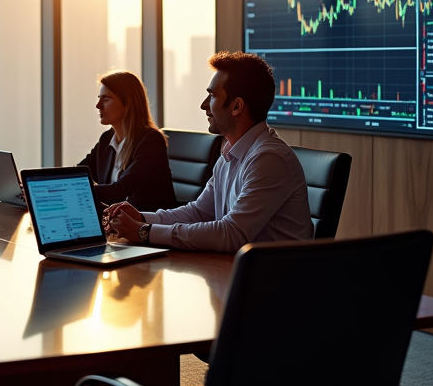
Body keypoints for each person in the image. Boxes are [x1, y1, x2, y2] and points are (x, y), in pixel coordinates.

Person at [105, 52, 311, 253]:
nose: (204, 105)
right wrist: (142, 218)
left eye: (212, 95)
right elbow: (199, 212)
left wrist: (144, 232)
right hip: (236, 273)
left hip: (276, 282)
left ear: (236, 106)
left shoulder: (268, 159)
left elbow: (231, 233)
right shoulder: (231, 153)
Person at [78, 70, 177, 212]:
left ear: (127, 103)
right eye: (99, 98)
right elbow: (79, 171)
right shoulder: (106, 140)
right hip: (116, 225)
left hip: (148, 228)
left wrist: (77, 188)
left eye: (106, 99)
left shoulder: (151, 142)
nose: (98, 105)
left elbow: (119, 190)